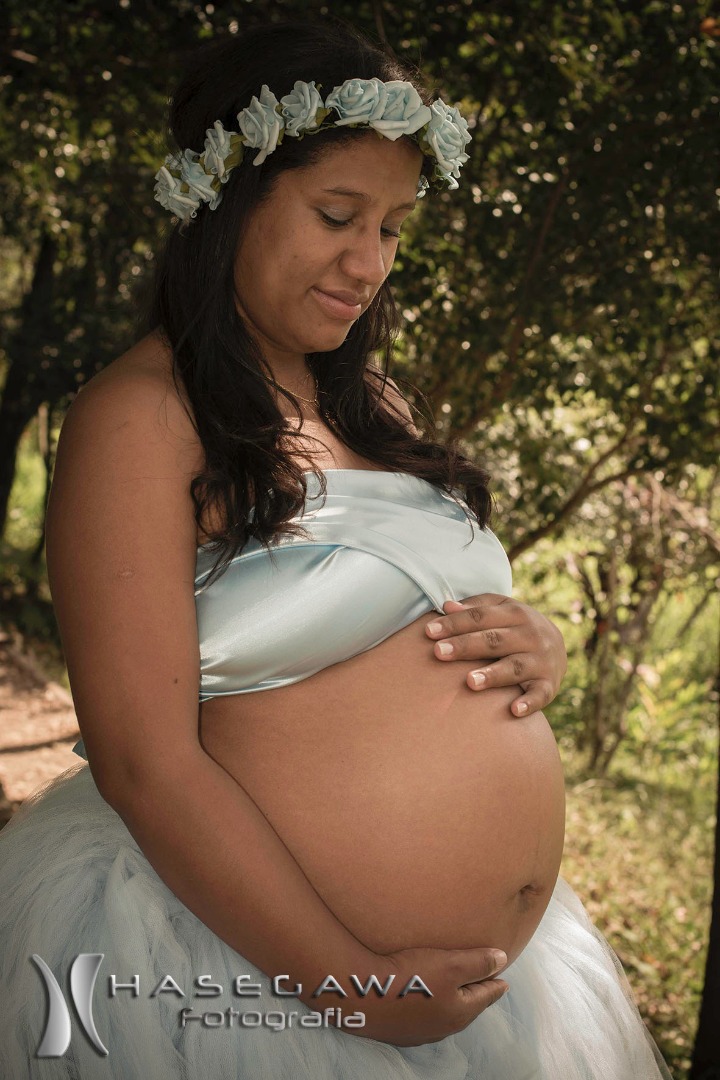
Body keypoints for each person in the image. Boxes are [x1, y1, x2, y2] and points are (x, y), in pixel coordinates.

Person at [0, 17, 673, 1080]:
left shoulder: (373, 405)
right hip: (261, 980)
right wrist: (355, 984)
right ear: (225, 201)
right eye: (336, 215)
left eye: (395, 228)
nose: (369, 264)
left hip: (498, 988)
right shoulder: (142, 417)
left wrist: (534, 640)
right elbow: (143, 760)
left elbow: (420, 614)